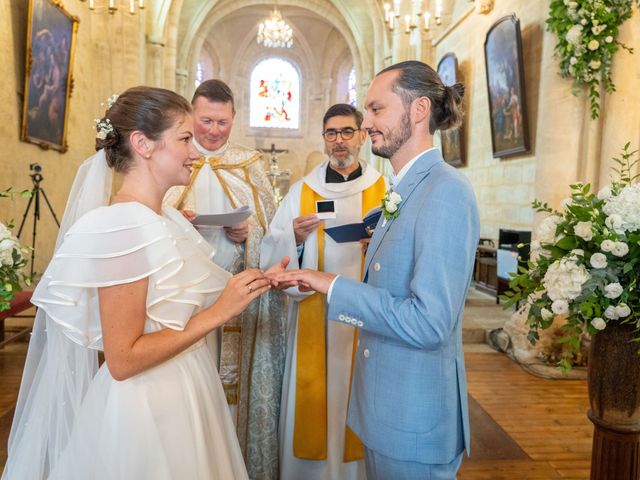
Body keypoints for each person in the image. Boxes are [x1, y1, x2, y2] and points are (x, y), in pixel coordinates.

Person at [2, 86, 285, 479]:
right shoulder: (122, 227)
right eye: (184, 138)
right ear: (143, 144)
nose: (195, 151)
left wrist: (262, 279)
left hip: (186, 390)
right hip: (149, 407)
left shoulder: (164, 220)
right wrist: (220, 312)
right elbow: (122, 360)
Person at [276, 61, 480, 479]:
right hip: (383, 415)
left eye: (376, 109)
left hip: (412, 423)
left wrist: (330, 284)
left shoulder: (446, 192)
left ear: (418, 110)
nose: (364, 123)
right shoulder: (403, 189)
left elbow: (429, 323)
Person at [163, 79, 286, 479]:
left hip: (236, 298)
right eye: (205, 121)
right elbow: (149, 214)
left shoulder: (249, 166)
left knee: (229, 379)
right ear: (191, 116)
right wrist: (175, 222)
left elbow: (273, 231)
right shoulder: (172, 157)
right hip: (186, 299)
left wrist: (249, 233)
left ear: (234, 118)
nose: (214, 130)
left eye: (222, 122)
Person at [260, 103, 386, 480]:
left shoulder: (385, 189)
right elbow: (271, 252)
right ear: (324, 139)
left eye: (347, 132)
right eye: (331, 133)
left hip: (367, 321)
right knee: (314, 401)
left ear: (362, 135)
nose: (339, 141)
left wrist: (378, 243)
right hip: (314, 316)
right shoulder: (302, 191)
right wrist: (294, 239)